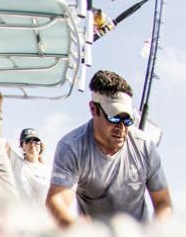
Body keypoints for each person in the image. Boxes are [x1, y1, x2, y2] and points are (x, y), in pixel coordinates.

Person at [46, 69, 171, 227]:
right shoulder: (71, 147)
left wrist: (155, 234)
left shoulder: (145, 146)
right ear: (93, 109)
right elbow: (57, 201)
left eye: (127, 120)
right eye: (114, 116)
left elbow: (163, 203)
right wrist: (78, 232)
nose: (121, 127)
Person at [0, 92, 50, 204]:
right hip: (22, 219)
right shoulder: (17, 163)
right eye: (28, 141)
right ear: (22, 146)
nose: (32, 143)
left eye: (36, 141)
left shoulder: (49, 171)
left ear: (40, 145)